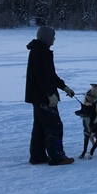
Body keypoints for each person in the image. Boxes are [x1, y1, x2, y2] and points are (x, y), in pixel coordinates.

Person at [25, 26, 76, 165]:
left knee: (40, 127)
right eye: (53, 36)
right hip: (43, 97)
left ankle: (37, 156)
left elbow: (50, 75)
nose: (54, 39)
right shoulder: (39, 52)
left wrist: (64, 87)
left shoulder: (42, 51)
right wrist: (50, 94)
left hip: (38, 96)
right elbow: (41, 77)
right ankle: (57, 157)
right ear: (47, 37)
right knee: (54, 125)